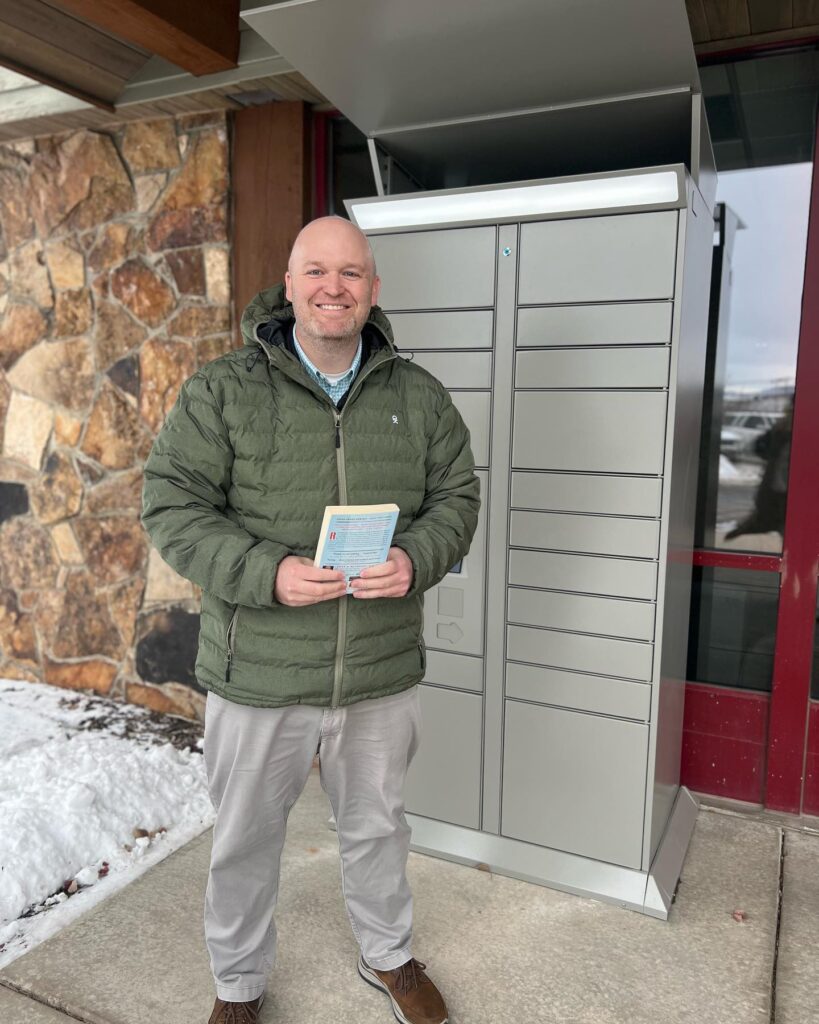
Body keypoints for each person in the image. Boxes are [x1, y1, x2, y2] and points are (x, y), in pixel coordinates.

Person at [141, 216, 480, 1024]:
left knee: (376, 828)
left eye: (352, 273)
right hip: (258, 669)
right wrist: (268, 573)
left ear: (372, 290)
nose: (335, 287)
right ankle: (238, 984)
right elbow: (171, 505)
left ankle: (388, 955)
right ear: (288, 285)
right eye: (317, 271)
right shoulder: (221, 390)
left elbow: (456, 499)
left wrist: (416, 558)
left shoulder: (418, 395)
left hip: (378, 669)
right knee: (246, 841)